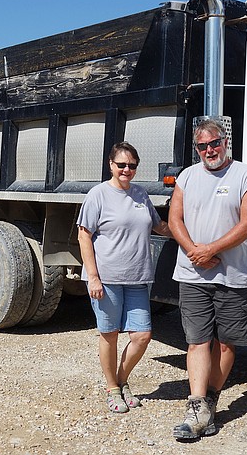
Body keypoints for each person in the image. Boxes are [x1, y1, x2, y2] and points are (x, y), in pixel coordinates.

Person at [168, 119, 247, 440]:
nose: (210, 150)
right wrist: (195, 252)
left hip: (233, 275)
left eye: (215, 143)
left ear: (225, 143)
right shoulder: (187, 176)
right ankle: (196, 409)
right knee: (197, 340)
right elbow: (174, 219)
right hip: (193, 273)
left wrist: (210, 249)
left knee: (225, 343)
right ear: (196, 149)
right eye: (202, 146)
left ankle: (209, 402)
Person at [77, 142, 172, 413]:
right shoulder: (98, 195)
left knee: (142, 335)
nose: (126, 170)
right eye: (121, 165)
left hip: (137, 277)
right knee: (109, 334)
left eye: (132, 165)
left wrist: (187, 234)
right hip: (105, 278)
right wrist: (93, 277)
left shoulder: (141, 195)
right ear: (111, 165)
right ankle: (112, 388)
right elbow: (84, 235)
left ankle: (121, 380)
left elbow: (159, 225)